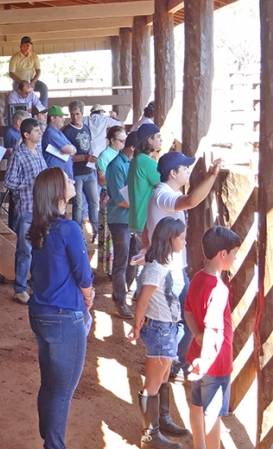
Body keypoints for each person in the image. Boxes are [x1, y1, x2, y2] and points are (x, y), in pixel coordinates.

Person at [27, 167, 94, 449]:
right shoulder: (68, 228)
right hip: (65, 316)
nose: (72, 181)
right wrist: (89, 299)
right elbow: (84, 274)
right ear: (58, 193)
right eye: (67, 180)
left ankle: (48, 438)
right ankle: (53, 445)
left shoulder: (40, 227)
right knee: (62, 391)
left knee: (50, 384)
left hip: (41, 313)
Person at [146, 151, 222, 382]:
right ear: (173, 173)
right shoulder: (165, 195)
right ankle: (171, 361)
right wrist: (213, 176)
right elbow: (191, 201)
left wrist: (146, 249)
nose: (189, 172)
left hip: (169, 268)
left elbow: (146, 232)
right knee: (187, 318)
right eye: (185, 169)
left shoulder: (160, 194)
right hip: (171, 271)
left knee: (179, 317)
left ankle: (167, 361)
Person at [127, 217, 189, 449]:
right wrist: (136, 325)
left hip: (167, 327)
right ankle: (150, 436)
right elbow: (142, 301)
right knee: (153, 382)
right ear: (171, 239)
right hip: (160, 328)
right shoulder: (157, 267)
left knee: (162, 377)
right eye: (182, 238)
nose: (184, 242)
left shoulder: (163, 262)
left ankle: (157, 425)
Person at [185, 227, 240, 449]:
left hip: (199, 355)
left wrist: (196, 336)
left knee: (196, 406)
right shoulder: (219, 289)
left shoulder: (198, 277)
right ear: (222, 254)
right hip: (214, 363)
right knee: (213, 413)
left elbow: (188, 311)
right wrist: (206, 361)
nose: (235, 258)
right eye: (234, 253)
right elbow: (213, 329)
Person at [4, 118, 47, 305]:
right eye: (36, 130)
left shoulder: (37, 151)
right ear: (26, 135)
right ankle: (20, 289)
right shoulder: (18, 155)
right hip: (26, 209)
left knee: (39, 249)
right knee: (25, 251)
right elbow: (8, 181)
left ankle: (35, 284)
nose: (40, 132)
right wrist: (30, 183)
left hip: (40, 208)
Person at [105, 132, 139, 319]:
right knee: (121, 261)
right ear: (133, 147)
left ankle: (121, 295)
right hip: (120, 219)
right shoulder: (116, 165)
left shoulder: (133, 164)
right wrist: (141, 205)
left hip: (132, 218)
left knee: (133, 260)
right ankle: (119, 302)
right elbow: (119, 198)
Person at [63, 100, 98, 240]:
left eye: (77, 114)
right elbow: (67, 156)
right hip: (76, 172)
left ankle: (96, 230)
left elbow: (89, 146)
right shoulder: (67, 132)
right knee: (77, 204)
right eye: (72, 114)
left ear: (82, 114)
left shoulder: (86, 128)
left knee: (93, 202)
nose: (75, 117)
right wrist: (84, 157)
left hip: (89, 171)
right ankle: (78, 234)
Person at [95, 126, 127, 277]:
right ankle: (110, 267)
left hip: (118, 193)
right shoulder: (105, 156)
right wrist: (117, 176)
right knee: (110, 232)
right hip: (108, 195)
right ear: (112, 140)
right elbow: (101, 179)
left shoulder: (121, 155)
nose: (123, 143)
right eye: (121, 140)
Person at [9, 36, 47, 108]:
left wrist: (33, 81)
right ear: (21, 45)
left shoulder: (34, 56)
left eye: (29, 44)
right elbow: (11, 73)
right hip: (19, 82)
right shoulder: (15, 57)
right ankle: (18, 110)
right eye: (26, 44)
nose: (28, 46)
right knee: (16, 91)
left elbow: (38, 71)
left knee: (43, 87)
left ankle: (42, 110)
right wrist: (22, 82)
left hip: (31, 81)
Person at [41, 106, 76, 182]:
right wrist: (68, 149)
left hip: (64, 175)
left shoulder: (59, 132)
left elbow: (73, 150)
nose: (64, 119)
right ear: (52, 119)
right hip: (57, 178)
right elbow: (69, 150)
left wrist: (69, 149)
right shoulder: (50, 133)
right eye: (61, 117)